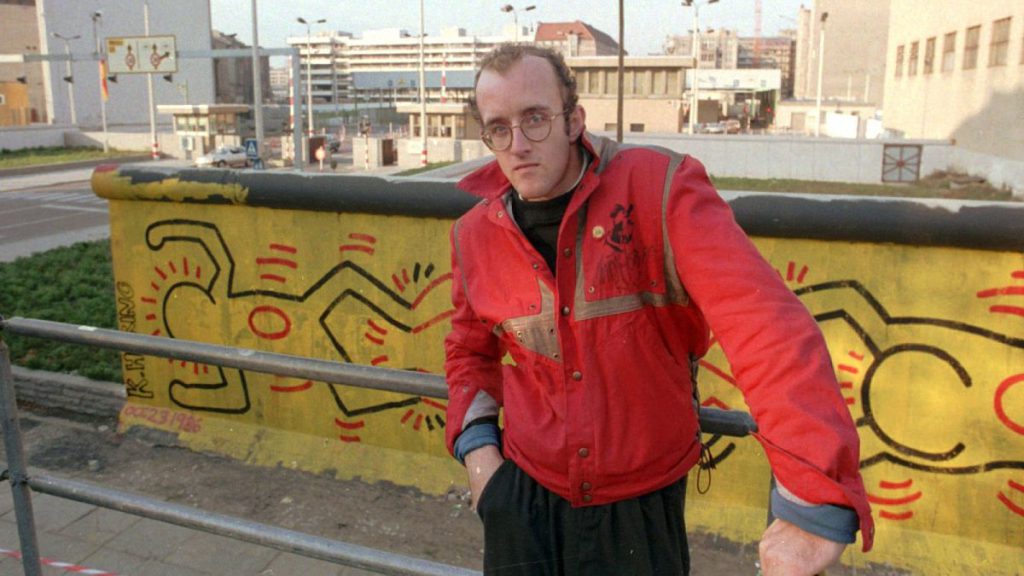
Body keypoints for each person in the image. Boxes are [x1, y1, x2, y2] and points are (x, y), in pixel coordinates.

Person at [444, 43, 873, 576]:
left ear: (574, 119)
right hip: (523, 497)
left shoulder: (659, 189)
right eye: (498, 128)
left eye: (535, 118)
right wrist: (485, 468)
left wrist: (813, 497)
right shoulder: (474, 235)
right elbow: (468, 353)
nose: (518, 144)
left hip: (639, 509)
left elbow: (763, 324)